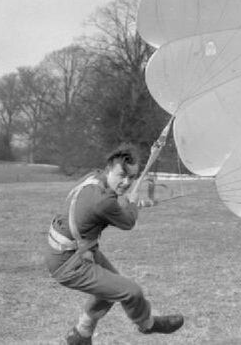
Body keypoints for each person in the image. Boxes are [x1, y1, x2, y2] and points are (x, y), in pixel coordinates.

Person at [45, 144, 184, 345]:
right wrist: (133, 203)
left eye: (132, 177)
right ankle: (147, 324)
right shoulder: (103, 202)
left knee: (110, 290)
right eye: (122, 175)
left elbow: (113, 204)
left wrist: (128, 203)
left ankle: (81, 335)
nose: (127, 182)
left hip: (77, 250)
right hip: (68, 261)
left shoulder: (93, 178)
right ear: (109, 169)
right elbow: (128, 222)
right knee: (131, 291)